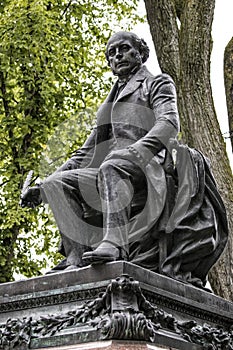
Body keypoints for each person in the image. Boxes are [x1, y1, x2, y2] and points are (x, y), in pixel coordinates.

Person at [21, 31, 228, 289]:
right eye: (112, 53)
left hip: (149, 162)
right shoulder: (109, 101)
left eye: (124, 48)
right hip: (114, 168)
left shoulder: (157, 83)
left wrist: (137, 151)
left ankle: (114, 244)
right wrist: (42, 187)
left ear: (140, 53)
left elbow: (168, 123)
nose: (117, 55)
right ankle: (76, 259)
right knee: (57, 183)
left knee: (112, 164)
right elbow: (86, 152)